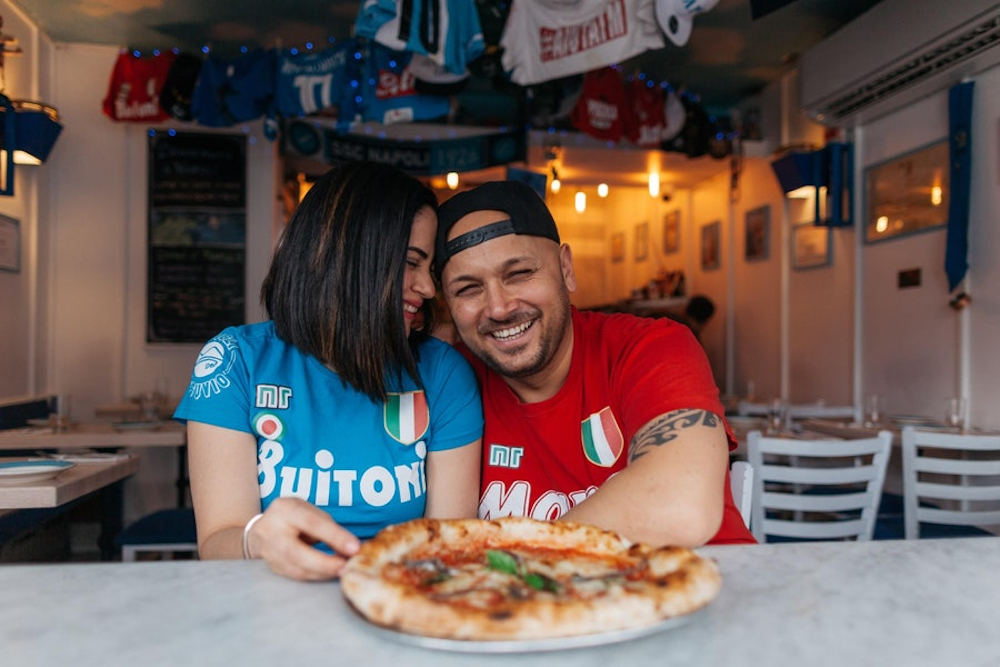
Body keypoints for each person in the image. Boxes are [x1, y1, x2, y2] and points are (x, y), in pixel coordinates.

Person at [174, 161, 484, 581]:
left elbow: (447, 548)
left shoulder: (443, 373)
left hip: (398, 603)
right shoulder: (236, 361)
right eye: (411, 263)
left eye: (428, 269)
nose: (428, 288)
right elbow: (217, 541)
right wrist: (257, 540)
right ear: (351, 257)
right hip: (266, 605)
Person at [434, 180, 754, 547]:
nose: (499, 307)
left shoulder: (649, 347)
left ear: (566, 269)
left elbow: (679, 506)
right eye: (468, 289)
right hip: (546, 603)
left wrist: (515, 565)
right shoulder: (450, 382)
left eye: (519, 274)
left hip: (709, 593)